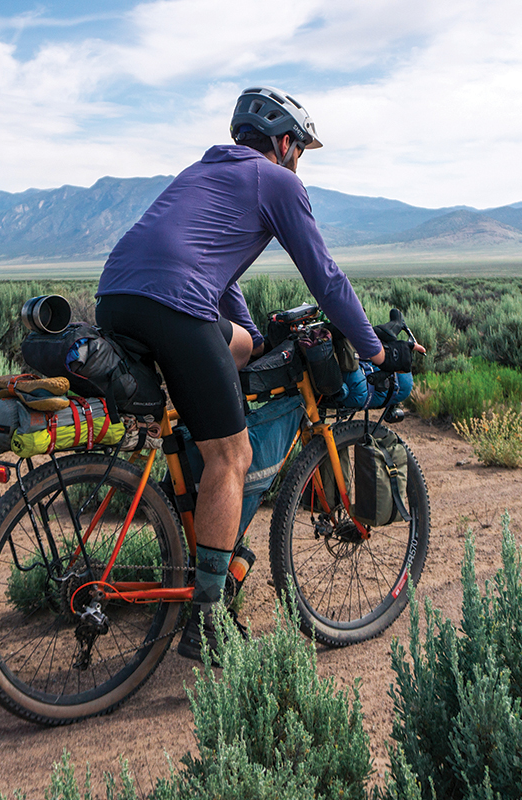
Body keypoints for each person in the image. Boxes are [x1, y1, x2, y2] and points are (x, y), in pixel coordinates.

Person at [94, 85, 420, 662]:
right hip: (176, 307)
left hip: (117, 297)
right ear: (286, 144)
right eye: (301, 151)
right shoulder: (278, 182)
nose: (301, 163)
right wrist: (374, 352)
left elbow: (221, 274)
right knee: (232, 456)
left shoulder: (202, 173)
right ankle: (208, 621)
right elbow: (327, 279)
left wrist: (257, 336)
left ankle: (195, 506)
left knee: (238, 348)